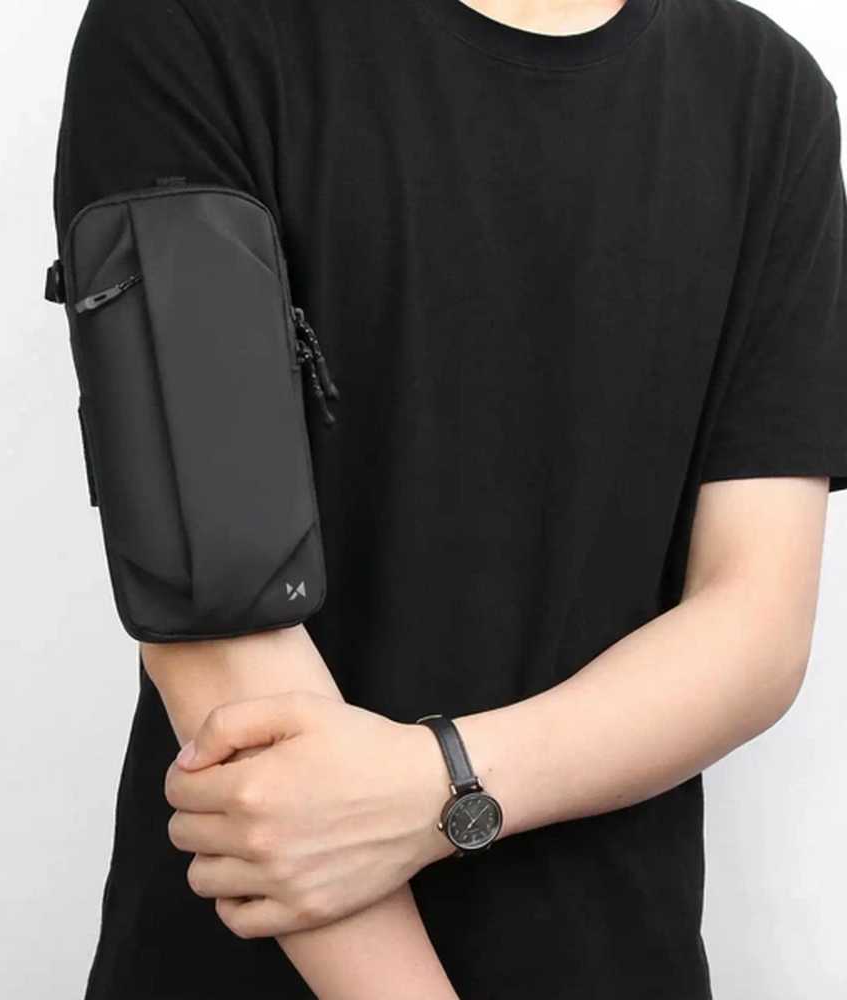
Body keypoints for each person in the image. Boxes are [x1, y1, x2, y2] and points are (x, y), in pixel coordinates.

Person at [52, 0, 847, 996]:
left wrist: (443, 785)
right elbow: (212, 610)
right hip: (254, 964)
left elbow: (754, 625)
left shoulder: (767, 97)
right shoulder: (190, 26)